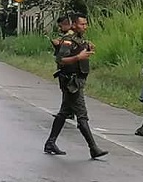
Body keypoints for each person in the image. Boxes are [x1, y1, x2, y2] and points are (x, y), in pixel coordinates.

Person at [43, 13, 108, 159]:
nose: (85, 27)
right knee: (82, 115)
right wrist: (78, 57)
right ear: (73, 25)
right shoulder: (67, 41)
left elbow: (79, 49)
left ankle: (50, 142)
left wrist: (86, 48)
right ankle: (93, 148)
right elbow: (60, 60)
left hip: (76, 81)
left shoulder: (78, 39)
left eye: (85, 24)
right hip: (71, 82)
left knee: (64, 112)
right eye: (82, 24)